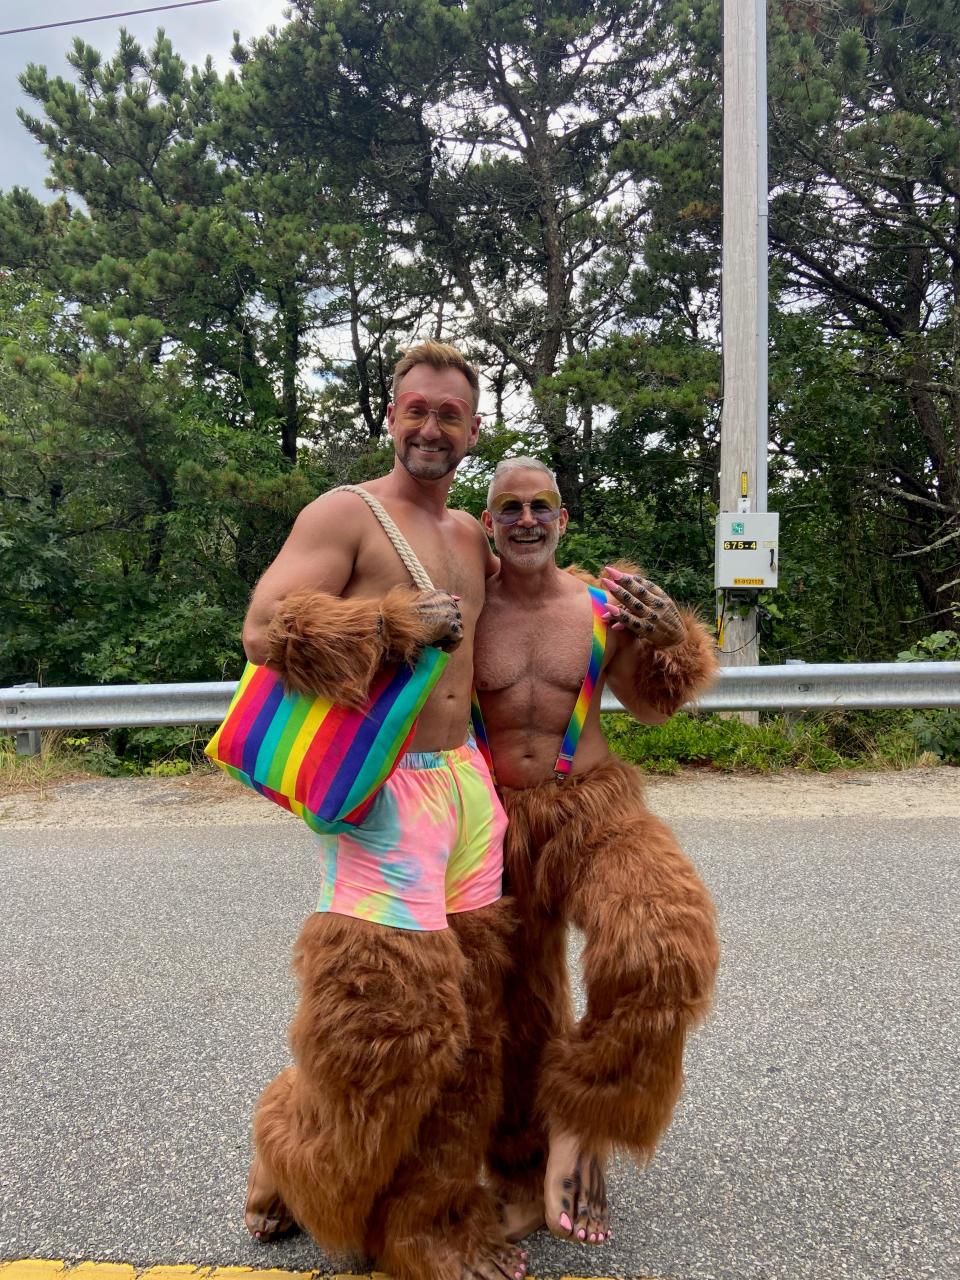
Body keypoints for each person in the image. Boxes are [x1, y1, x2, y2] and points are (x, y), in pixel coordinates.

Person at [240, 343, 526, 1280]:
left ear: (473, 431)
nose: (431, 429)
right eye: (417, 411)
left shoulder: (474, 540)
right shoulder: (347, 515)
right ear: (391, 416)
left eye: (451, 415)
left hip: (466, 786)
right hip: (381, 794)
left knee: (469, 1017)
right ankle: (298, 1155)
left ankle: (437, 1205)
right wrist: (394, 626)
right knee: (386, 1027)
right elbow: (265, 626)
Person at [472, 457, 720, 1248]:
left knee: (666, 948)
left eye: (539, 505)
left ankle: (581, 1122)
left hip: (595, 809)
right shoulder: (465, 604)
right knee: (510, 1006)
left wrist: (670, 634)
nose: (525, 519)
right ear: (488, 524)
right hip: (492, 822)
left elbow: (654, 708)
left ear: (563, 518)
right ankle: (518, 1164)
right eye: (507, 507)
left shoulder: (604, 607)